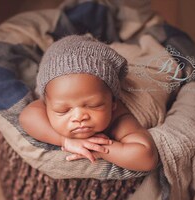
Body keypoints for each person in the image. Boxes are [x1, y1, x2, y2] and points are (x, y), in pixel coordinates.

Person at [19, 35, 158, 172]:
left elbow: (147, 158)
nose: (79, 117)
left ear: (112, 102)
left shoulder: (118, 118)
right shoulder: (50, 100)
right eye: (63, 110)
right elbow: (26, 117)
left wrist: (98, 149)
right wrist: (64, 141)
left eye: (94, 105)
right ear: (47, 104)